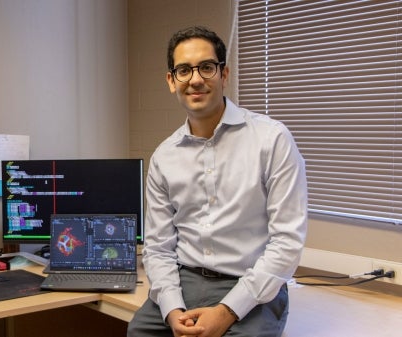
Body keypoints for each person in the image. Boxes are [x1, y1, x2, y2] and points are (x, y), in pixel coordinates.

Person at [127, 26, 308, 337]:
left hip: (252, 285)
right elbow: (158, 247)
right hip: (185, 282)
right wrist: (172, 310)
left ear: (224, 74)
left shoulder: (271, 139)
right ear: (172, 81)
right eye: (183, 70)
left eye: (207, 67)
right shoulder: (164, 157)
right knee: (137, 332)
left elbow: (287, 243)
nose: (195, 79)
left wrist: (226, 312)